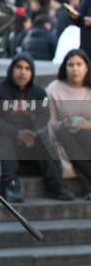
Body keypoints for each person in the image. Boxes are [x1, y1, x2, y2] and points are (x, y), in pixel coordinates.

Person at [0, 52, 73, 202]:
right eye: (18, 67)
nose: (22, 72)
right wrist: (17, 133)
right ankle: (10, 185)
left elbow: (43, 118)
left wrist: (33, 134)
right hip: (1, 145)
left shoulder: (39, 93)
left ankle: (56, 185)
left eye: (27, 68)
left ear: (32, 72)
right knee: (4, 140)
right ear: (11, 69)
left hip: (29, 144)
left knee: (44, 140)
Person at [47, 49, 91, 200]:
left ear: (86, 67)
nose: (75, 69)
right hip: (63, 137)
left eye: (79, 64)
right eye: (71, 65)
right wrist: (63, 124)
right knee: (65, 135)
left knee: (85, 135)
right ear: (65, 67)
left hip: (87, 135)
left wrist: (86, 124)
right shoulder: (54, 89)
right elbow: (49, 123)